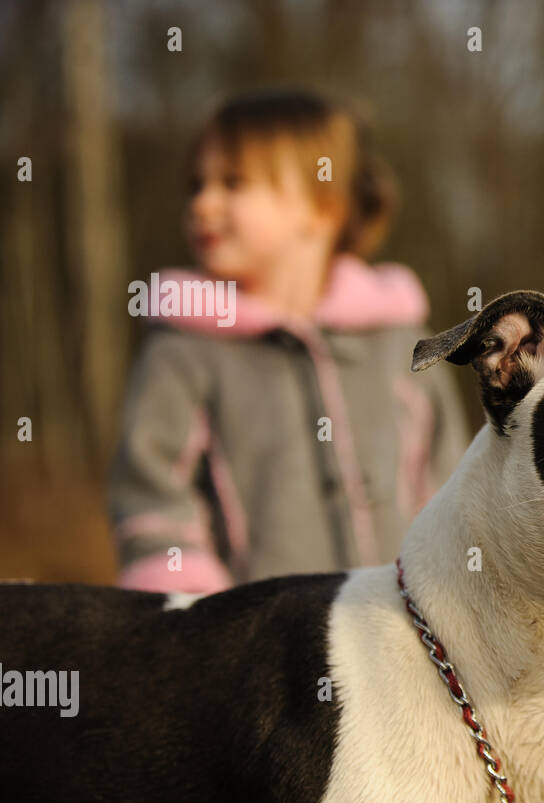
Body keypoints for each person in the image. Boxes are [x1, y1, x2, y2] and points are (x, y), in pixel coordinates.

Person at [108, 89, 473, 593]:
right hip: (249, 650)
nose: (202, 203)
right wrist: (195, 613)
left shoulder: (401, 345)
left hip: (401, 635)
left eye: (232, 183)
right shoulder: (182, 352)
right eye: (196, 184)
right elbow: (151, 493)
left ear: (321, 210)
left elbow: (451, 485)